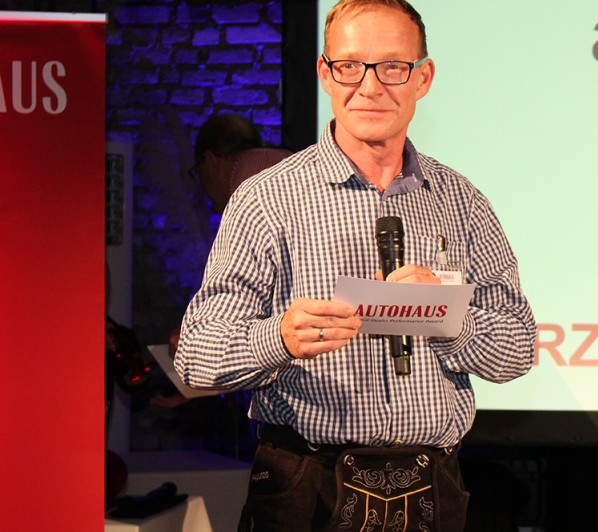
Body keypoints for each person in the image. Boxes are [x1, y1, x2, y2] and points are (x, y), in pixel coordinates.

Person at [174, 1, 536, 530]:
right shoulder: (267, 199)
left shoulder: (461, 202)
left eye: (392, 66)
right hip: (304, 488)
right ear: (325, 74)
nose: (370, 86)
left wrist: (448, 318)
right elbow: (195, 357)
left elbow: (518, 349)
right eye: (349, 66)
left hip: (432, 489)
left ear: (423, 78)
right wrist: (279, 338)